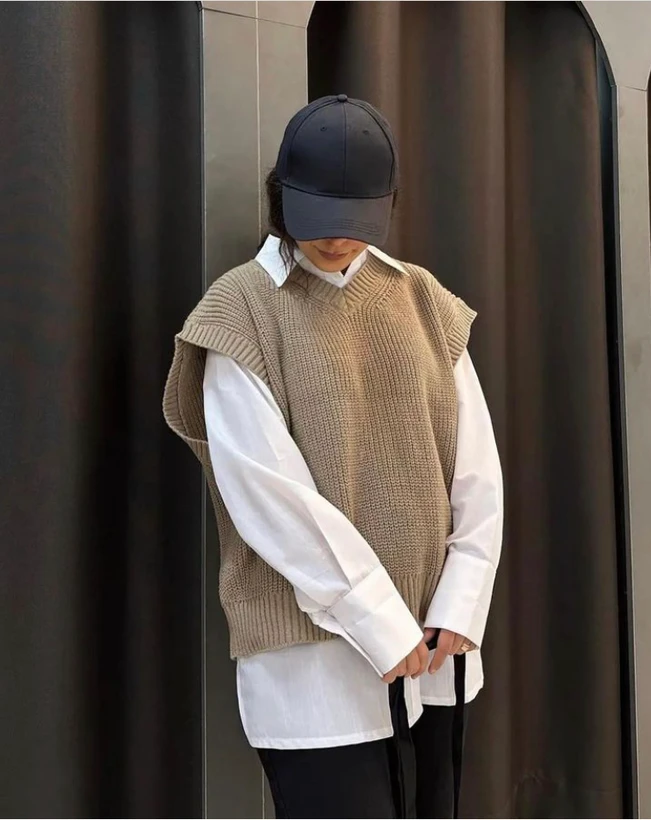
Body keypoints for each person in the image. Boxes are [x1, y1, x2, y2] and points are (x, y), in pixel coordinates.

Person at [163, 94, 503, 819]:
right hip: (313, 664)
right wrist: (380, 622)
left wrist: (463, 598)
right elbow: (270, 500)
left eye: (357, 220)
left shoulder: (423, 300)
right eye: (319, 217)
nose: (338, 239)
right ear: (281, 197)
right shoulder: (241, 311)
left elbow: (476, 468)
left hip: (438, 649)